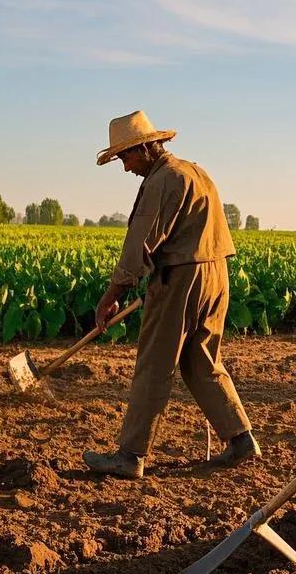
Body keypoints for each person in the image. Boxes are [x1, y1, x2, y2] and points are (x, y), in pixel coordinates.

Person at [82, 111, 259, 479]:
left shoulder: (162, 179)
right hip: (215, 274)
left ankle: (130, 455)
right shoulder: (195, 171)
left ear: (145, 148)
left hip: (181, 275)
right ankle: (241, 439)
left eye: (126, 157)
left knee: (154, 365)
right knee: (202, 360)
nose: (125, 167)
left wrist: (113, 293)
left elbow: (139, 245)